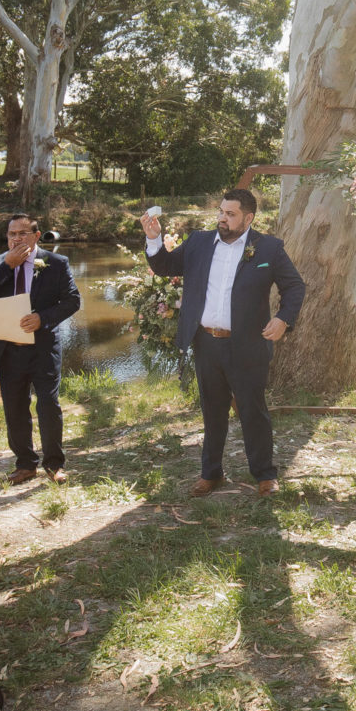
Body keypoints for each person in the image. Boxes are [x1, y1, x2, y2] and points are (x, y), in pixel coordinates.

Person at [141, 188, 305, 498]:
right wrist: (153, 239)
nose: (222, 218)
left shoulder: (268, 248)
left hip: (248, 345)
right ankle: (211, 473)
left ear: (248, 218)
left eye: (230, 214)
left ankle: (265, 475)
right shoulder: (200, 243)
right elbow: (165, 267)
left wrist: (284, 318)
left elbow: (294, 286)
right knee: (212, 411)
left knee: (252, 411)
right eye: (220, 212)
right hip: (207, 344)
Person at [0, 214, 82, 485]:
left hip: (43, 348)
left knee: (48, 405)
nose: (16, 238)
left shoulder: (56, 264)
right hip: (8, 350)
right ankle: (25, 464)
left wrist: (42, 318)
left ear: (36, 235)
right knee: (14, 407)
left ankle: (54, 465)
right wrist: (7, 267)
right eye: (11, 234)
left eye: (22, 233)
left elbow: (72, 301)